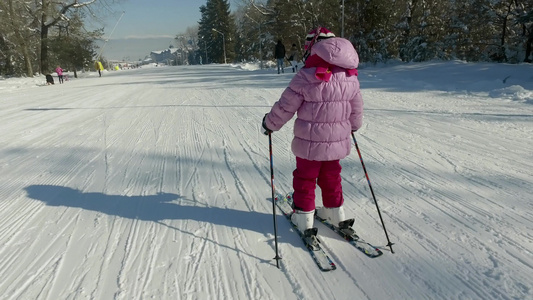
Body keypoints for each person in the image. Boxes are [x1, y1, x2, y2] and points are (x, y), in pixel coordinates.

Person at [261, 27, 363, 240]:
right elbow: (356, 106)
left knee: (306, 177)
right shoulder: (350, 75)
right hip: (337, 141)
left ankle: (304, 217)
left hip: (309, 142)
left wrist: (270, 124)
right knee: (331, 176)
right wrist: (353, 125)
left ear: (314, 46)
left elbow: (286, 106)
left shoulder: (307, 75)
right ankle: (335, 212)